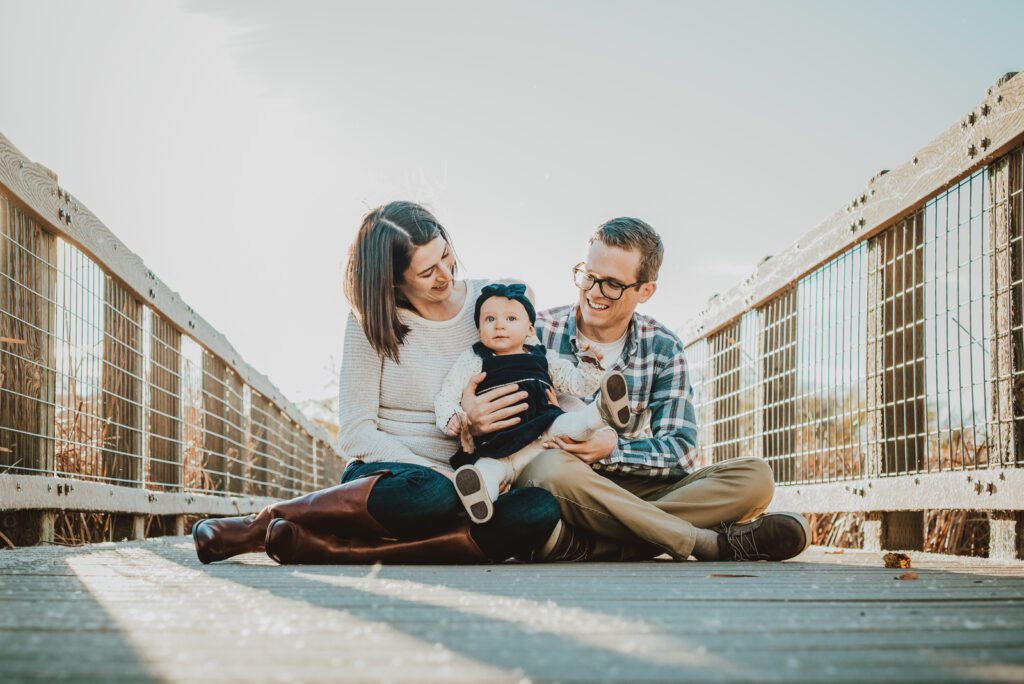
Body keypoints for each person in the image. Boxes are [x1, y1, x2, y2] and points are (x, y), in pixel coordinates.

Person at [192, 201, 563, 565]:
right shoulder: (370, 322)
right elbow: (356, 432)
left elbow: (541, 372)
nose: (446, 274)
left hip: (474, 479)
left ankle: (334, 549)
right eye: (427, 272)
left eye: (445, 255)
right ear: (394, 280)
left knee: (538, 509)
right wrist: (443, 474)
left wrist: (482, 439)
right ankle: (261, 524)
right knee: (432, 494)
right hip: (397, 477)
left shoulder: (492, 305)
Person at [465, 217, 810, 562]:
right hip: (557, 479)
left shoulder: (663, 347)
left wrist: (613, 450)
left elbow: (681, 451)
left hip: (626, 483)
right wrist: (471, 418)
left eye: (612, 284)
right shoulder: (533, 330)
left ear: (645, 291)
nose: (594, 292)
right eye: (588, 276)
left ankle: (588, 544)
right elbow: (476, 395)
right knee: (552, 468)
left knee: (755, 478)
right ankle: (704, 542)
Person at [435, 282, 632, 524]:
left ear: (529, 329)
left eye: (510, 318)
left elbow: (577, 385)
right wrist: (452, 417)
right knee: (485, 472)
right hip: (495, 448)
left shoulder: (543, 357)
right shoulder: (473, 359)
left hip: (542, 436)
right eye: (489, 319)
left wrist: (589, 365)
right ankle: (481, 501)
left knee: (567, 423)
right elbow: (447, 394)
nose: (499, 325)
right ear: (478, 330)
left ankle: (601, 413)